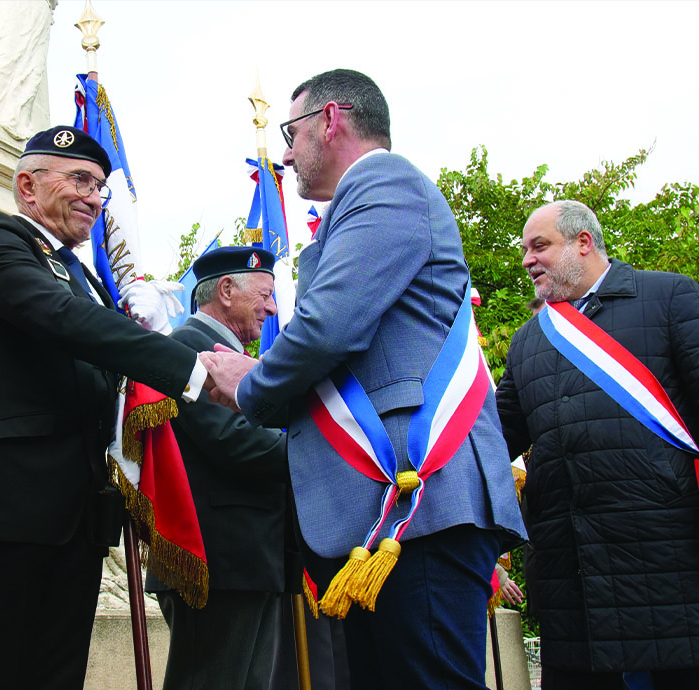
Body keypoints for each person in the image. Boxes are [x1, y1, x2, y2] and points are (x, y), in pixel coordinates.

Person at [201, 68, 526, 690]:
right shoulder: (365, 201)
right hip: (384, 511)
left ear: (331, 119)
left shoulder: (384, 182)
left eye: (291, 133)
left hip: (415, 504)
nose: (287, 153)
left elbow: (328, 328)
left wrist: (250, 382)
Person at [0, 125, 211, 690]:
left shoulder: (87, 279)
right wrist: (189, 366)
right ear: (27, 186)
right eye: (81, 180)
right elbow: (65, 322)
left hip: (81, 514)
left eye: (101, 187)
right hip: (12, 505)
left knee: (57, 676)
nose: (94, 197)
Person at [496, 200, 699, 689]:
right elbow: (491, 436)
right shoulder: (529, 341)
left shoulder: (670, 297)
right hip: (569, 580)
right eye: (524, 249)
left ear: (583, 242)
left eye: (539, 245)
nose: (527, 259)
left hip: (665, 568)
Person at [145, 246, 291, 690]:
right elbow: (232, 441)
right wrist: (318, 444)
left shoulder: (238, 360)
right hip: (214, 561)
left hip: (248, 560)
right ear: (226, 290)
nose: (272, 307)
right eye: (264, 294)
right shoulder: (186, 349)